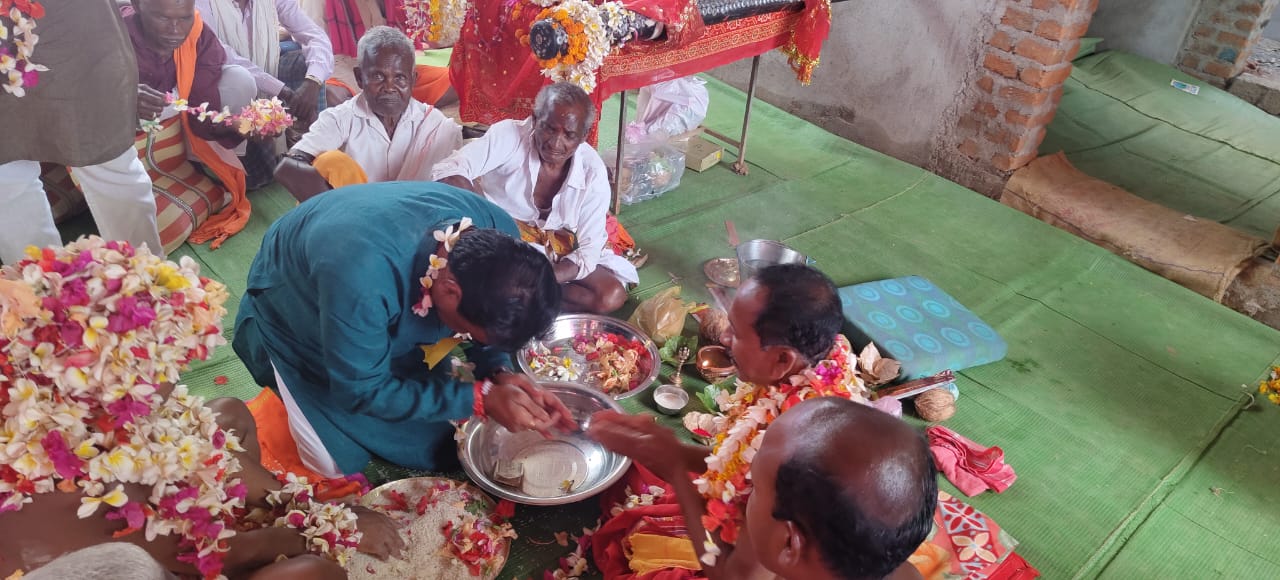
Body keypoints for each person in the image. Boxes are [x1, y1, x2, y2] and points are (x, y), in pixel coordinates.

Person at [0, 237, 402, 579]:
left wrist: (308, 509)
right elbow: (197, 555)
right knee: (315, 572)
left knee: (226, 415)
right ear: (112, 385)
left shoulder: (65, 405)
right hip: (137, 566)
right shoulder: (58, 479)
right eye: (160, 368)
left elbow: (198, 445)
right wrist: (333, 529)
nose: (173, 377)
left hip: (153, 543)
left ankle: (239, 519)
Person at [588, 264, 935, 579]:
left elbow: (735, 574)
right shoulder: (812, 396)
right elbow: (738, 469)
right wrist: (674, 454)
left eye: (737, 333)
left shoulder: (801, 461)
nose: (724, 338)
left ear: (783, 360)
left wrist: (678, 472)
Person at [232, 181, 576, 478]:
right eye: (471, 334)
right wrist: (480, 397)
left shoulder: (499, 233)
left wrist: (499, 373)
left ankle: (391, 357)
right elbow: (361, 391)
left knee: (445, 439)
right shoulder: (360, 280)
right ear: (450, 291)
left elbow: (491, 331)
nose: (469, 340)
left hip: (366, 289)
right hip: (297, 311)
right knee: (333, 461)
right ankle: (291, 379)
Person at [433, 82, 636, 314]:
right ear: (535, 119)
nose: (555, 143)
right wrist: (489, 222)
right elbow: (448, 170)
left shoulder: (592, 171)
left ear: (584, 136)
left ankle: (520, 297)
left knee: (609, 296)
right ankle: (519, 297)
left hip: (553, 252)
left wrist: (544, 276)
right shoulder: (509, 136)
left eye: (569, 135)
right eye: (549, 128)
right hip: (500, 239)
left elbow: (589, 251)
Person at [0, 0, 164, 264]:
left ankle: (145, 278)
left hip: (73, 25)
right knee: (6, 179)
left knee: (108, 158)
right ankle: (39, 284)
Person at [274, 26, 463, 202]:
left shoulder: (435, 125)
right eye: (378, 76)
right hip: (354, 215)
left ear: (413, 79)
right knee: (330, 161)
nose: (389, 87)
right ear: (359, 77)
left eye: (399, 78)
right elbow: (287, 166)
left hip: (412, 216)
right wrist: (337, 208)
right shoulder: (341, 117)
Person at [125, 0, 253, 249]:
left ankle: (204, 168)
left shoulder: (198, 35)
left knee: (238, 78)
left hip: (174, 121)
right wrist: (123, 95)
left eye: (184, 18)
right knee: (148, 229)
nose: (175, 31)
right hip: (120, 129)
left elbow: (201, 109)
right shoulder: (115, 37)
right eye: (163, 19)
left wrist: (236, 126)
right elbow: (81, 94)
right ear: (137, 6)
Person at [194, 0, 332, 129]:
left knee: (308, 65)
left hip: (267, 79)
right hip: (219, 83)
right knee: (240, 78)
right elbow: (220, 53)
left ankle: (313, 138)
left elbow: (315, 36)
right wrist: (282, 90)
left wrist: (313, 81)